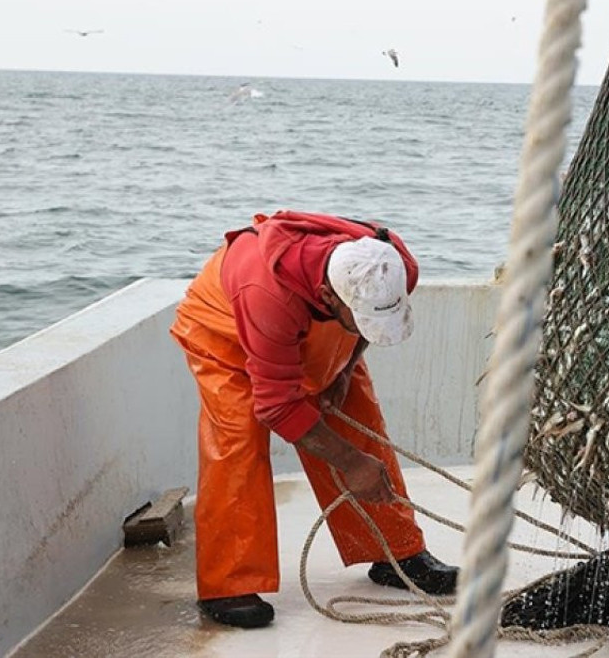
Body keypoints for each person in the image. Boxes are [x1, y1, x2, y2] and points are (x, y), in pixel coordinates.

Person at [170, 210, 459, 629]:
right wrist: (353, 465)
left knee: (358, 418)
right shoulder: (265, 293)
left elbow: (361, 327)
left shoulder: (391, 262)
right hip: (228, 332)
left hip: (313, 327)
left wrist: (342, 369)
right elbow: (277, 407)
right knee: (238, 441)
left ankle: (395, 553)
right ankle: (227, 584)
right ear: (328, 296)